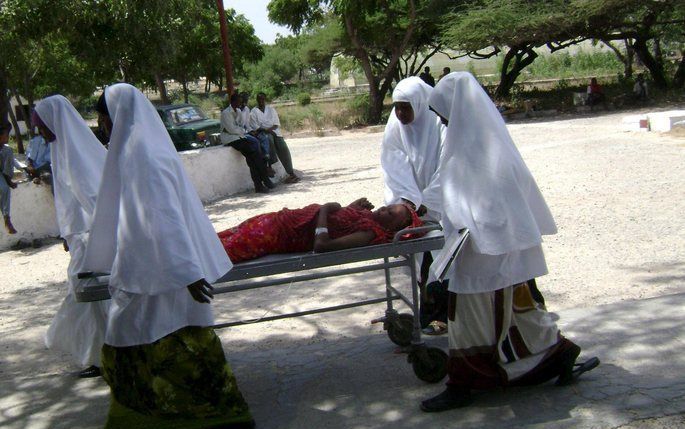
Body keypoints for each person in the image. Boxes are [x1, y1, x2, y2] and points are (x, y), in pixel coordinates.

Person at [421, 72, 598, 412]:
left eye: (442, 113)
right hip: (491, 250)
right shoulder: (477, 142)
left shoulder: (475, 149)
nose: (441, 120)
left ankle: (462, 384)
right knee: (514, 314)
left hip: (484, 254)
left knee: (468, 319)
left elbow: (482, 203)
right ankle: (557, 353)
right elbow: (449, 189)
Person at [84, 83, 253, 426]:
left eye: (102, 117)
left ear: (114, 115)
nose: (101, 124)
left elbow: (166, 215)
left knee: (146, 342)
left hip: (166, 270)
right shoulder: (137, 147)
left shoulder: (141, 153)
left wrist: (187, 271)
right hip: (147, 267)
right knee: (137, 340)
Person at [34, 95, 109, 378]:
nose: (39, 131)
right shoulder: (60, 148)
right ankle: (100, 355)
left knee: (92, 300)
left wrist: (92, 234)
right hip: (79, 237)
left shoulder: (75, 151)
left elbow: (91, 196)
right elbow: (67, 199)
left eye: (41, 125)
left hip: (90, 238)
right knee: (87, 301)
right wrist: (67, 232)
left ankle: (104, 357)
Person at [381, 76, 447, 333]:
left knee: (440, 257)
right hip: (411, 209)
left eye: (406, 107)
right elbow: (393, 166)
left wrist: (427, 202)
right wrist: (408, 204)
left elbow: (448, 168)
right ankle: (428, 316)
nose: (400, 113)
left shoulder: (439, 123)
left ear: (419, 104)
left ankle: (441, 317)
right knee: (420, 260)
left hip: (442, 206)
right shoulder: (394, 127)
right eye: (396, 106)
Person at [219, 198, 422, 262]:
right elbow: (340, 224)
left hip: (276, 234)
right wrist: (352, 207)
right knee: (213, 242)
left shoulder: (370, 233)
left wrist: (324, 210)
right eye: (388, 206)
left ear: (395, 227)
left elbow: (323, 245)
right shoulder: (369, 219)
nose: (383, 209)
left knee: (215, 254)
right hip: (275, 221)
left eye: (390, 214)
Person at [221, 93, 275, 194]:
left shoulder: (238, 111)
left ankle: (259, 185)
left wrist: (242, 126)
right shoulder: (226, 113)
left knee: (253, 158)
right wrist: (243, 130)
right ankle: (264, 180)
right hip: (231, 139)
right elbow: (232, 129)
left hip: (240, 136)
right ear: (233, 102)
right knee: (254, 154)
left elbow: (242, 125)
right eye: (239, 101)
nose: (241, 104)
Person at [250, 92, 300, 184]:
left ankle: (291, 173)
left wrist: (271, 130)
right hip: (262, 132)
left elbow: (276, 124)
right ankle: (270, 166)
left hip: (275, 132)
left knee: (283, 147)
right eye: (259, 99)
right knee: (269, 141)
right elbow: (255, 126)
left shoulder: (271, 109)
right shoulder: (253, 112)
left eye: (263, 99)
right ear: (257, 100)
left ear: (265, 99)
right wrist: (267, 130)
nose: (261, 101)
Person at [24, 116, 52, 186]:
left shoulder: (54, 143)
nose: (44, 131)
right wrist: (30, 165)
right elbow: (30, 156)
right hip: (37, 168)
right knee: (46, 175)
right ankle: (36, 177)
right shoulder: (36, 141)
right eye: (42, 129)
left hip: (49, 168)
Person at [0, 124, 17, 234]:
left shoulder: (6, 149)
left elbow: (12, 163)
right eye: (5, 136)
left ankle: (7, 218)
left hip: (2, 173)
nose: (8, 137)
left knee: (5, 189)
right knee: (4, 188)